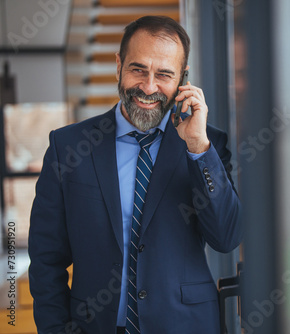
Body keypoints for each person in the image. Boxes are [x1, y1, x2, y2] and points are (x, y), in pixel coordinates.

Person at [29, 15, 242, 334]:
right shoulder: (68, 146)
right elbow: (46, 258)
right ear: (118, 65)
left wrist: (198, 148)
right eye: (137, 69)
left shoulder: (206, 145)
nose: (148, 86)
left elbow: (226, 237)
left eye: (164, 74)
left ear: (183, 80)